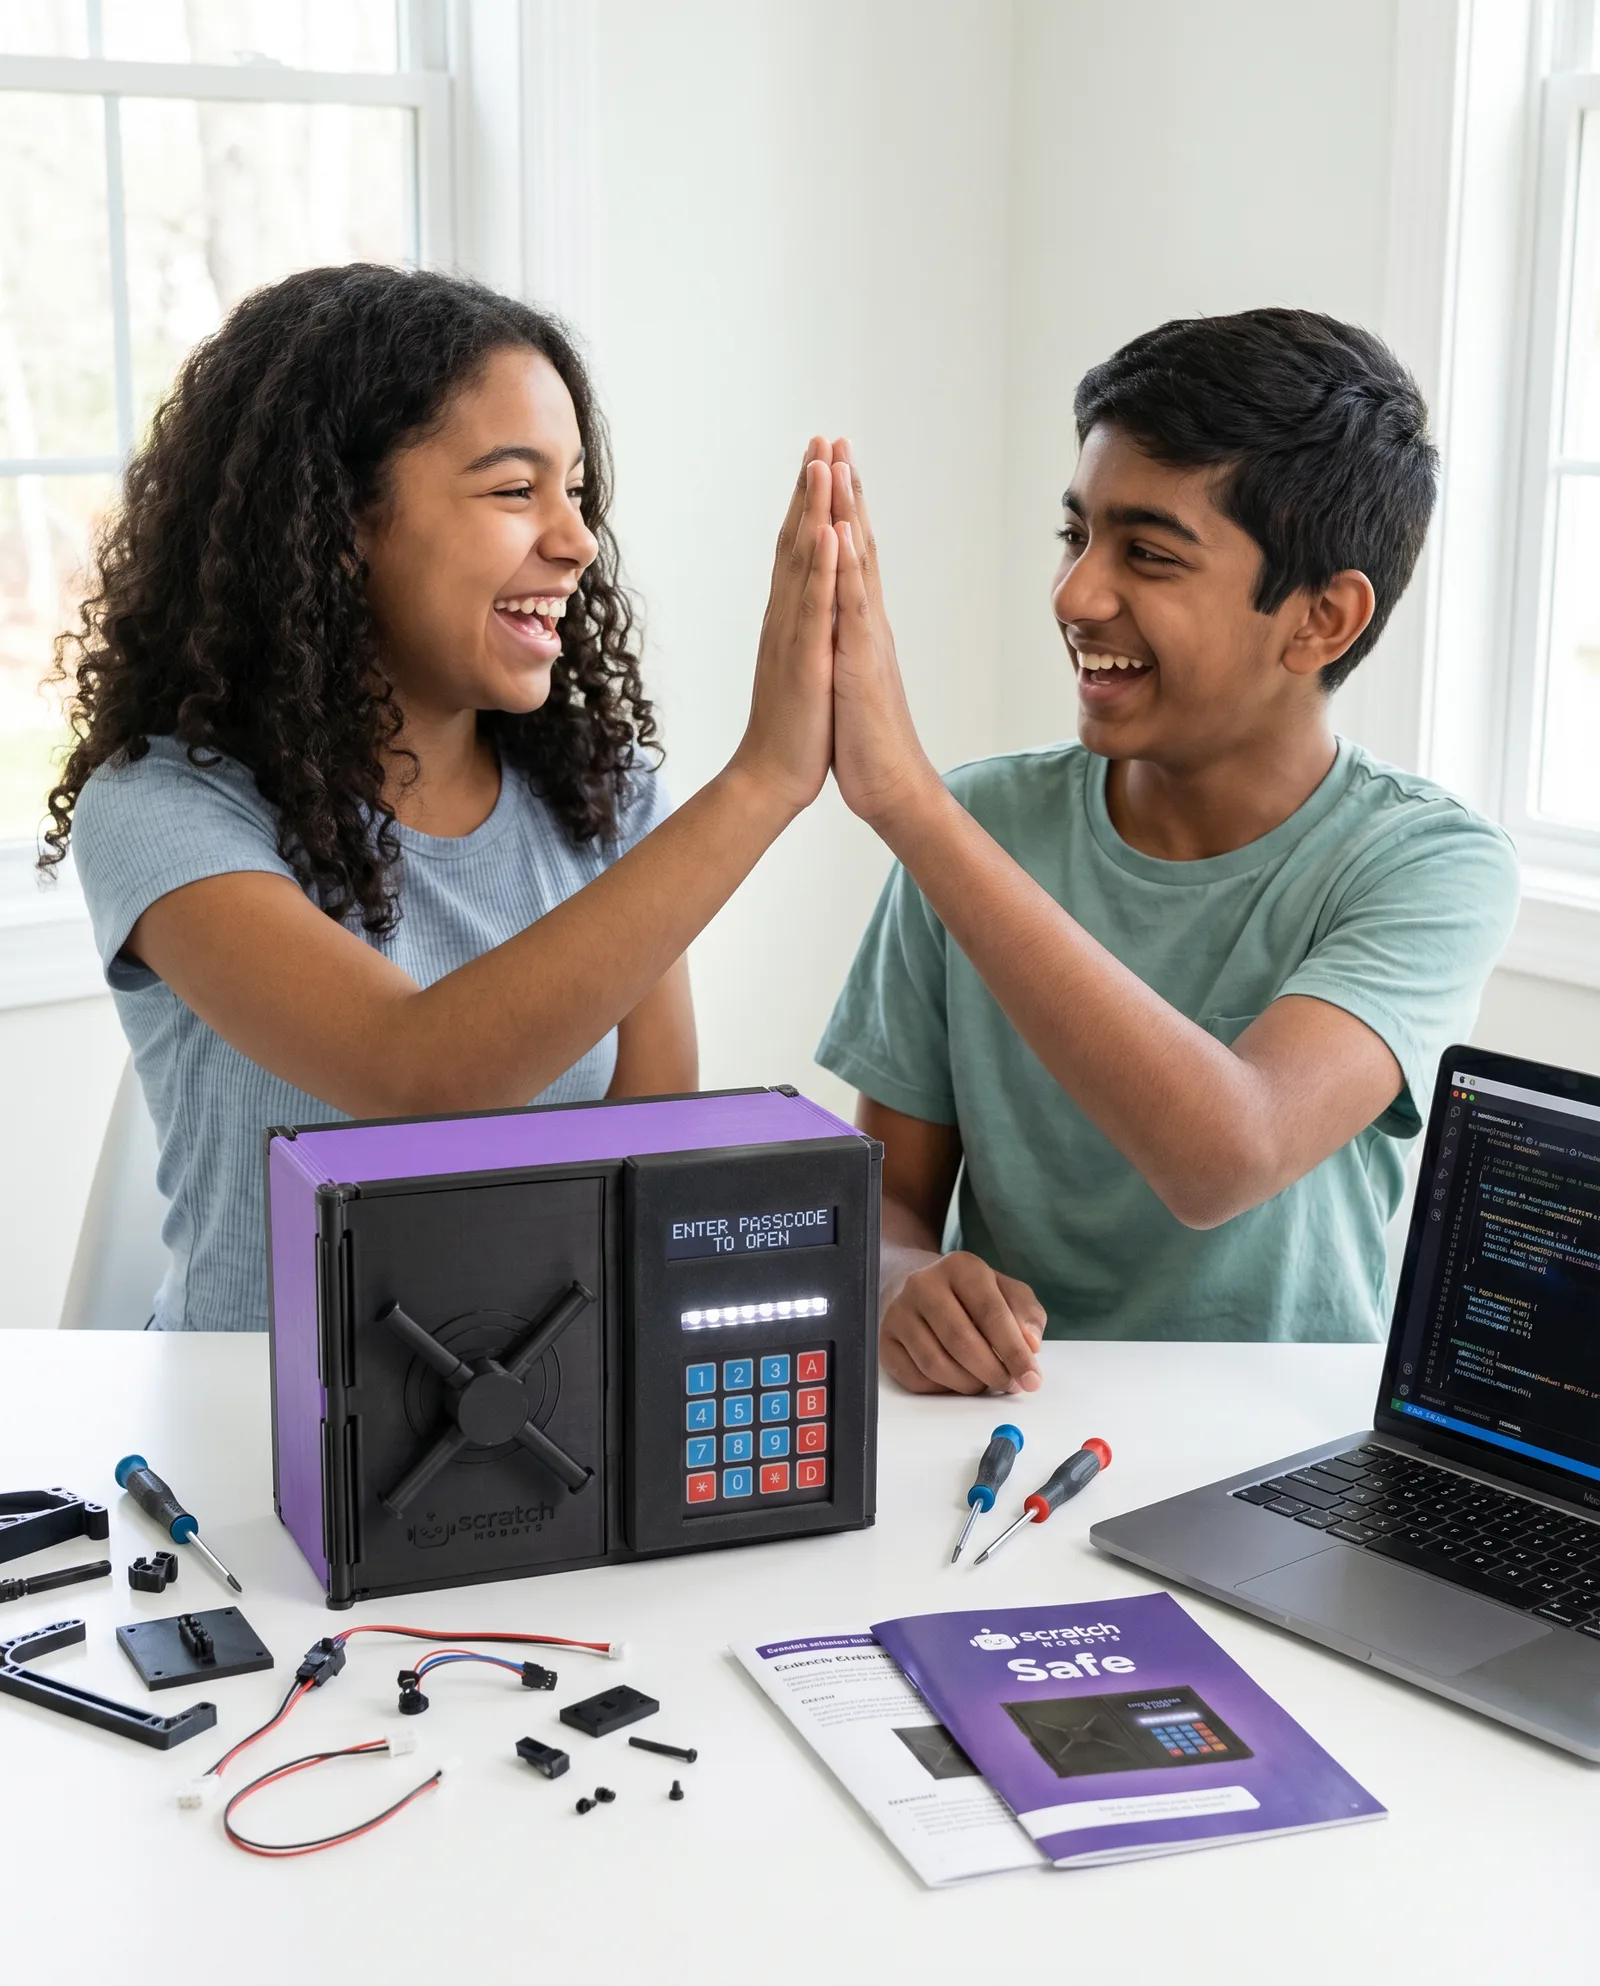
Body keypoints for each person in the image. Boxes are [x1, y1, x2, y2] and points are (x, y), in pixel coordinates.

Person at [45, 265, 838, 1333]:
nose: (575, 540)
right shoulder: (163, 809)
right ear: (339, 522)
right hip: (238, 1432)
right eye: (516, 490)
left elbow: (650, 1155)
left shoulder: (600, 797)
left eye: (576, 492)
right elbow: (416, 1076)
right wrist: (763, 781)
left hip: (534, 1421)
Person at [814, 309, 1520, 1394]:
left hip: (1276, 1452)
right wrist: (904, 1276)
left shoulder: (1425, 866)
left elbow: (1224, 1157)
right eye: (1076, 535)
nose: (1075, 594)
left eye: (1146, 553)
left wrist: (910, 810)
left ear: (1320, 620)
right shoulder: (981, 822)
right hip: (1004, 1429)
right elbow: (889, 1199)